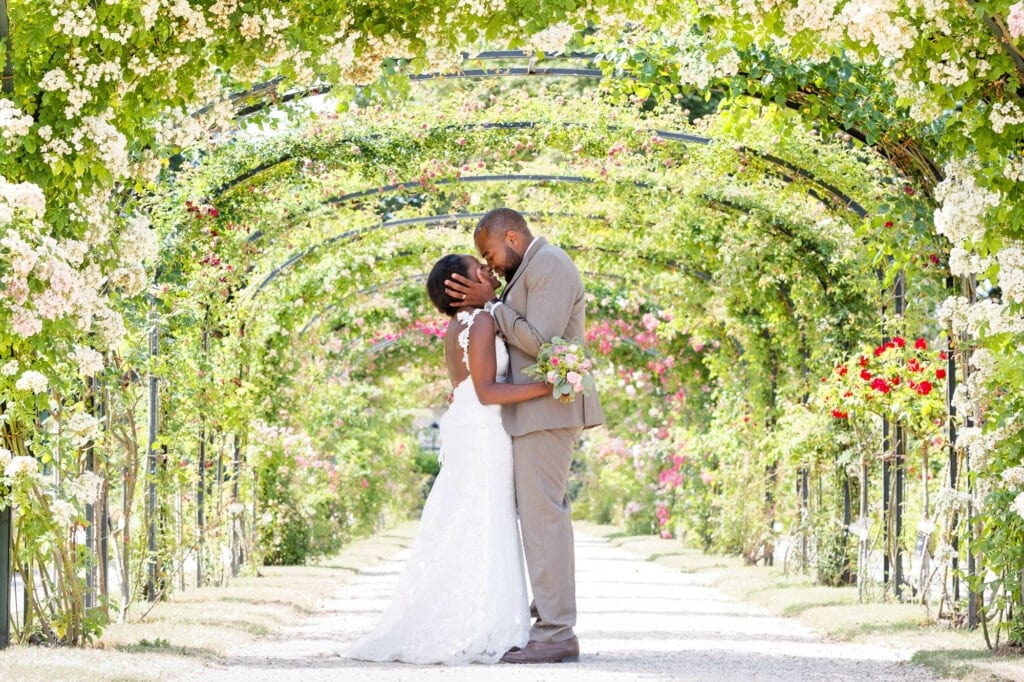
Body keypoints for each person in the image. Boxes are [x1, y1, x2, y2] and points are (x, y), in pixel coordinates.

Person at [347, 253, 553, 665]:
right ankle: (485, 624)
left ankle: (482, 618)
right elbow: (487, 391)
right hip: (482, 429)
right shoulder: (478, 322)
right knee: (485, 517)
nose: (490, 271)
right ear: (459, 285)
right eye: (480, 267)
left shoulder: (463, 324)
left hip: (472, 426)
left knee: (474, 517)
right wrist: (549, 386)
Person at [445, 208, 604, 664]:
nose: (489, 265)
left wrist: (492, 305)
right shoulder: (529, 268)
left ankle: (556, 632)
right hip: (533, 413)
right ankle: (546, 619)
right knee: (539, 518)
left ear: (512, 237)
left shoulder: (549, 263)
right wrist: (492, 302)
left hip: (547, 412)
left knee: (543, 520)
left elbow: (545, 342)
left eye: (489, 253)